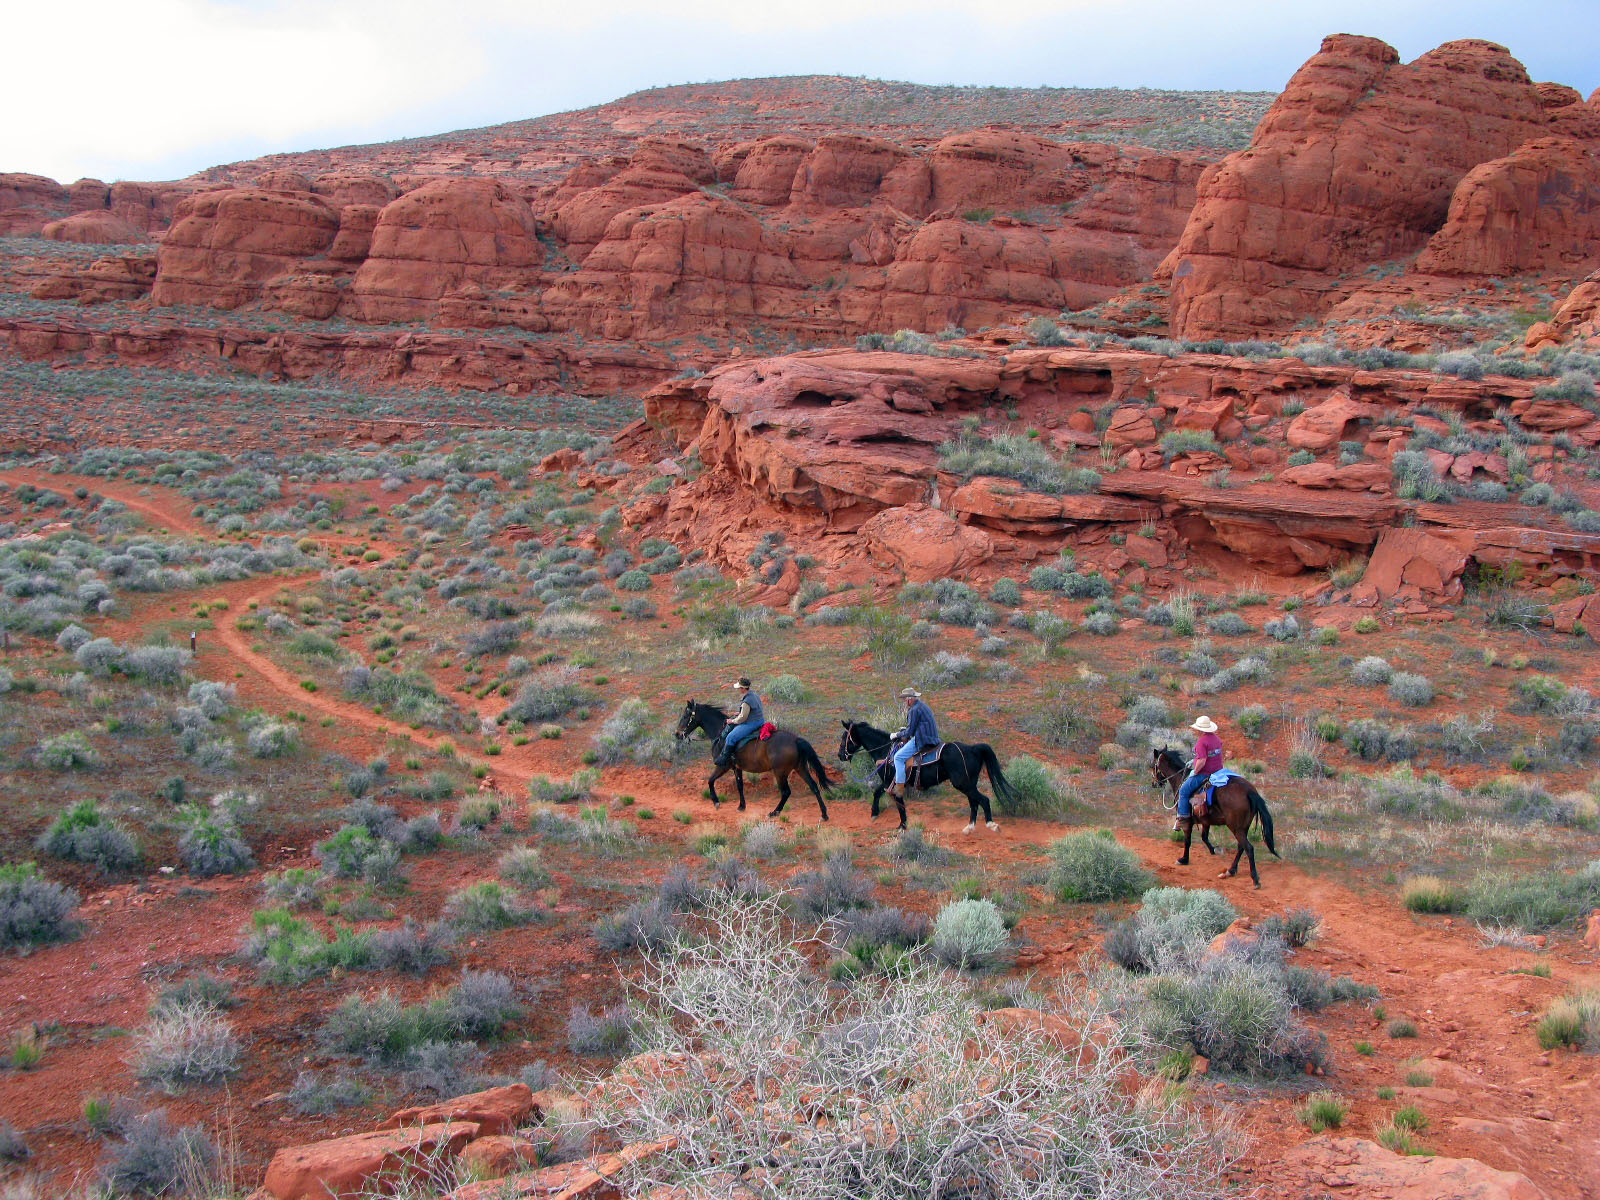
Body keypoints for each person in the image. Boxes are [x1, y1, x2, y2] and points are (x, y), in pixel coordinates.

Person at [1175, 714, 1225, 828]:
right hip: (1218, 771)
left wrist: (1196, 771)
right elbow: (1213, 755)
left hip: (1205, 773)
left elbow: (1202, 761)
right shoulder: (1217, 739)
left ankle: (1183, 818)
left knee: (1183, 791)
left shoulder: (1202, 742)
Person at [889, 686, 938, 800]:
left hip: (922, 739)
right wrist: (905, 731)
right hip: (933, 737)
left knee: (898, 757)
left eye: (905, 699)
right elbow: (915, 726)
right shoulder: (922, 706)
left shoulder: (914, 710)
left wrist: (896, 735)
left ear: (910, 699)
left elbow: (910, 731)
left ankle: (900, 788)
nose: (905, 701)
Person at [715, 676, 765, 768]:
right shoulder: (755, 695)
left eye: (739, 688)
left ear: (743, 688)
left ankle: (724, 759)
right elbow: (756, 709)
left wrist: (732, 721)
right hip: (760, 720)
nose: (738, 689)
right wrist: (740, 712)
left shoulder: (746, 701)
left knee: (730, 737)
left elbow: (742, 718)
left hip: (751, 723)